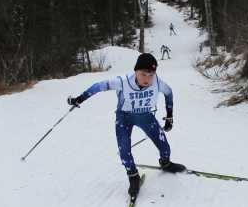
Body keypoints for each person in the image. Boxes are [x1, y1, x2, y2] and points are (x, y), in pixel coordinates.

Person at [67, 53, 185, 198]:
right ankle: (133, 176)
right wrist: (80, 99)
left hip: (145, 116)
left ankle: (166, 163)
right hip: (124, 118)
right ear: (136, 71)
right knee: (124, 152)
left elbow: (169, 93)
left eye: (151, 74)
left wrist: (169, 117)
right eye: (143, 74)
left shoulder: (158, 82)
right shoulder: (123, 82)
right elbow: (99, 86)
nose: (147, 79)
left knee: (164, 146)